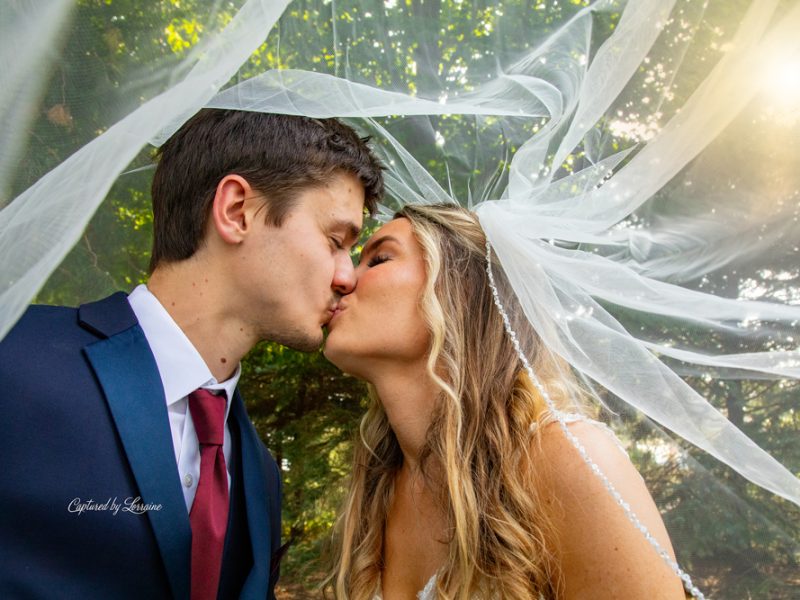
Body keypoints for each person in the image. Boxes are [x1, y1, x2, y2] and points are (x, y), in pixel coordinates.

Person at [0, 109, 383, 599]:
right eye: (335, 241)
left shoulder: (260, 475)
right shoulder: (15, 354)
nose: (347, 277)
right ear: (236, 210)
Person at [323, 203, 689, 599]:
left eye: (378, 259)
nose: (342, 277)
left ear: (458, 289)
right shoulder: (377, 483)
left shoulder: (566, 460)